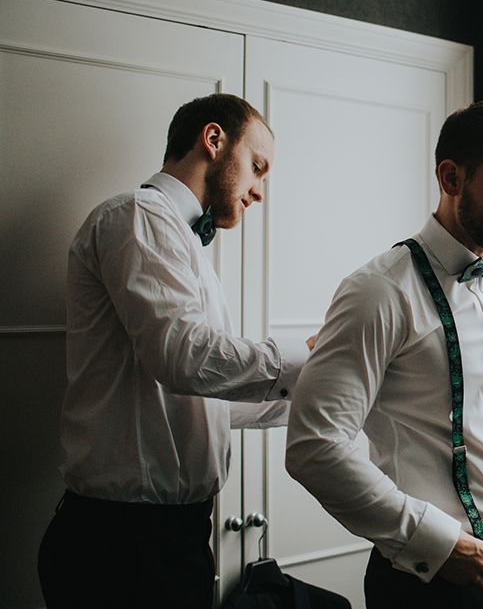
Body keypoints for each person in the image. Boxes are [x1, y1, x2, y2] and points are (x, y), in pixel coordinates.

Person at [285, 97, 483, 609]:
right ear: (451, 177)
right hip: (423, 581)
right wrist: (433, 541)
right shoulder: (378, 291)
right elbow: (315, 446)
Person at [38, 94, 313, 609]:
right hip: (121, 548)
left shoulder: (178, 240)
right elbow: (184, 359)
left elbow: (201, 401)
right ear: (213, 140)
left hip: (169, 540)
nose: (258, 191)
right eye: (257, 167)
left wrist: (324, 387)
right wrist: (309, 352)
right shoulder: (138, 215)